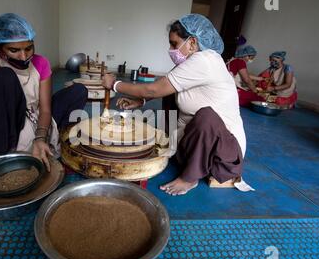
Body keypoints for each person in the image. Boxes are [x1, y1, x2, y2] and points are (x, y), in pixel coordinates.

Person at [103, 14, 246, 196]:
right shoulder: (191, 62)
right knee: (172, 93)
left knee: (207, 116)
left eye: (174, 44)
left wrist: (114, 84)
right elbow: (165, 86)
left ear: (192, 42)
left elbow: (153, 89)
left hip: (223, 153)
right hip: (196, 142)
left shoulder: (206, 60)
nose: (171, 49)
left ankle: (190, 178)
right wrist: (141, 101)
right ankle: (175, 148)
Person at [0, 13, 87, 178]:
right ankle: (7, 156)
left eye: (28, 48)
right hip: (7, 129)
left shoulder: (40, 63)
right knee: (4, 76)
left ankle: (59, 141)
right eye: (14, 50)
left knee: (78, 90)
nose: (24, 56)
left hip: (37, 117)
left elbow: (45, 109)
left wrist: (40, 138)